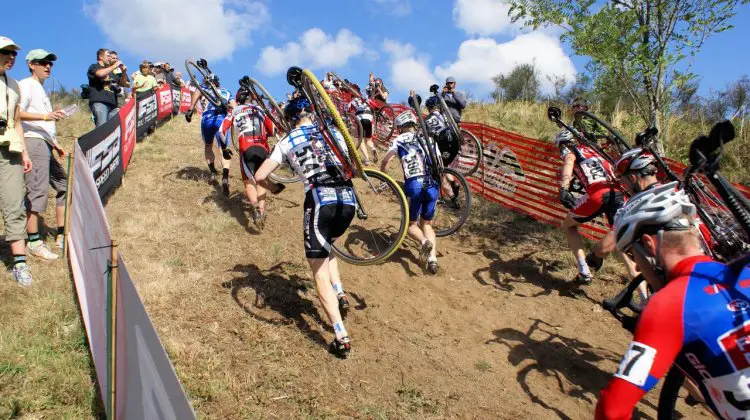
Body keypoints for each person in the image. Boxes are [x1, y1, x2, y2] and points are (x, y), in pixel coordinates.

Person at [595, 182, 750, 420]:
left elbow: (612, 410)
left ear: (649, 244)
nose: (636, 266)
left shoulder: (670, 305)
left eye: (632, 254)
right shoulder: (744, 270)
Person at [254, 88, 355, 358]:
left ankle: (340, 336)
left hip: (319, 199)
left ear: (290, 118)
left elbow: (259, 175)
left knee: (318, 268)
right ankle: (341, 293)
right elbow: (352, 162)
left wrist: (274, 189)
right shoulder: (330, 131)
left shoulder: (287, 140)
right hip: (348, 198)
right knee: (328, 245)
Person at [556, 129, 628, 287]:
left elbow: (568, 162)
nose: (561, 150)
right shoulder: (598, 151)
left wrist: (564, 188)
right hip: (618, 192)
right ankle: (644, 295)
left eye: (561, 146)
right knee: (623, 239)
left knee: (568, 226)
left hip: (596, 193)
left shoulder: (572, 151)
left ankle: (584, 269)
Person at [19, 48, 68, 259]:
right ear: (31, 64)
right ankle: (33, 241)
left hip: (45, 144)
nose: (47, 66)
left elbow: (42, 123)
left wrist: (55, 143)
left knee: (64, 186)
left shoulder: (39, 89)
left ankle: (61, 234)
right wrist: (46, 117)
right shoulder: (26, 85)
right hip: (32, 143)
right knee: (37, 190)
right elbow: (16, 113)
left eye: (50, 63)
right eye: (42, 62)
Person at [380, 111, 440, 275]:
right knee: (427, 224)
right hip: (433, 185)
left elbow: (386, 160)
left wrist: (383, 178)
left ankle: (424, 242)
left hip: (414, 184)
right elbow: (440, 164)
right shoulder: (429, 139)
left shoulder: (399, 139)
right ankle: (432, 260)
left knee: (410, 225)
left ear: (400, 128)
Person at [218, 85, 284, 228]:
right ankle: (261, 209)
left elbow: (221, 130)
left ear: (239, 99)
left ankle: (254, 207)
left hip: (246, 149)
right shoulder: (260, 110)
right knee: (262, 179)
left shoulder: (234, 111)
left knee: (249, 181)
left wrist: (224, 148)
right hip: (262, 148)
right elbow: (272, 131)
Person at [0, 36, 34, 286]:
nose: (10, 58)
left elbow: (18, 121)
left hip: (9, 147)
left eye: (13, 54)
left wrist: (24, 152)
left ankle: (19, 264)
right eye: (5, 53)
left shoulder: (14, 85)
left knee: (15, 204)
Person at [185, 66, 234, 196]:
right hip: (221, 120)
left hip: (207, 118)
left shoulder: (204, 88)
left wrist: (190, 109)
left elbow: (196, 93)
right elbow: (235, 107)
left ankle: (212, 173)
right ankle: (225, 177)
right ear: (219, 82)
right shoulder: (227, 91)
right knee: (223, 148)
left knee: (208, 145)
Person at [87, 49, 128, 126]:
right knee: (102, 127)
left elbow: (123, 83)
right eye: (108, 56)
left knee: (113, 129)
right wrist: (114, 65)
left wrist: (124, 72)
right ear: (100, 57)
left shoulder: (111, 72)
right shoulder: (94, 66)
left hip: (113, 105)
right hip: (100, 102)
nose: (110, 58)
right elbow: (100, 74)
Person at [347, 87, 377, 164]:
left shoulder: (352, 102)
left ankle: (367, 159)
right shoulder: (366, 98)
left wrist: (349, 122)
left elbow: (347, 112)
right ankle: (373, 148)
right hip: (369, 117)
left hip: (360, 119)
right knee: (369, 140)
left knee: (361, 141)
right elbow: (375, 106)